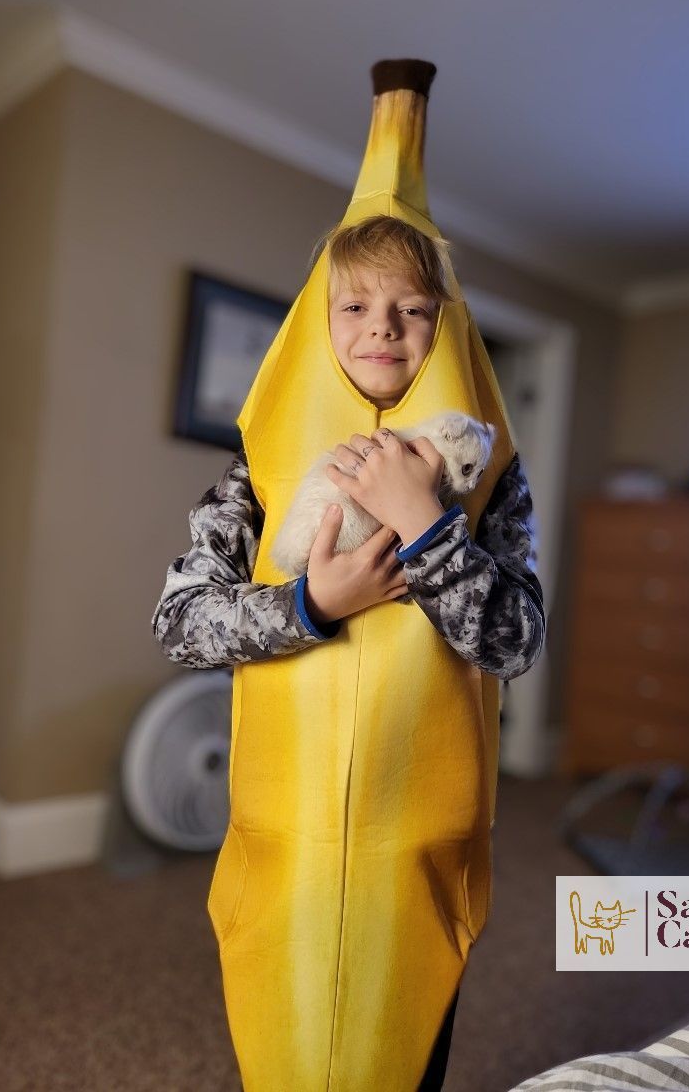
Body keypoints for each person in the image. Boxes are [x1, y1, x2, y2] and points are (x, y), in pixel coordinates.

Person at [152, 61, 545, 1092]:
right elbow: (180, 622)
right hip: (284, 833)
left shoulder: (489, 480)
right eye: (358, 306)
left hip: (417, 847)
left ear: (446, 329)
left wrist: (430, 529)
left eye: (415, 311)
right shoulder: (264, 474)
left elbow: (516, 640)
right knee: (278, 1041)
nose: (383, 327)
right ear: (316, 329)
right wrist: (312, 604)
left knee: (400, 1045)